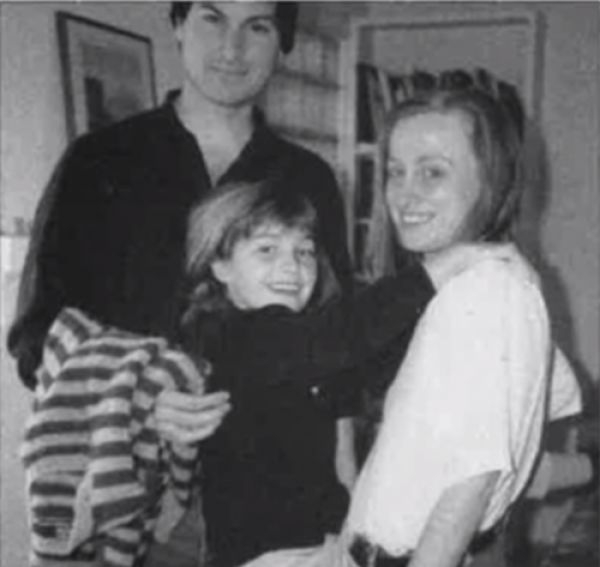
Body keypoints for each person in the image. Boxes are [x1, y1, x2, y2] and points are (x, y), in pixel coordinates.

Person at [236, 71, 579, 567]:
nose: (404, 194)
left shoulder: (491, 291)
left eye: (433, 172)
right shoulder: (465, 282)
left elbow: (471, 483)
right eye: (396, 172)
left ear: (492, 179)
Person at [153, 177, 516, 567]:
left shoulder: (302, 348)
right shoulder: (237, 337)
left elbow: (365, 368)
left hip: (318, 546)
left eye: (304, 251)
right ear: (220, 266)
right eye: (266, 249)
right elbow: (347, 334)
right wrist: (446, 266)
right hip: (265, 556)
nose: (291, 266)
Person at [7, 1, 351, 402]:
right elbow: (39, 339)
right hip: (122, 437)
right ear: (179, 25)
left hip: (272, 439)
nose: (232, 48)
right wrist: (142, 398)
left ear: (282, 46)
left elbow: (338, 347)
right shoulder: (96, 161)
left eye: (257, 27)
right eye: (213, 19)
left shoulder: (309, 178)